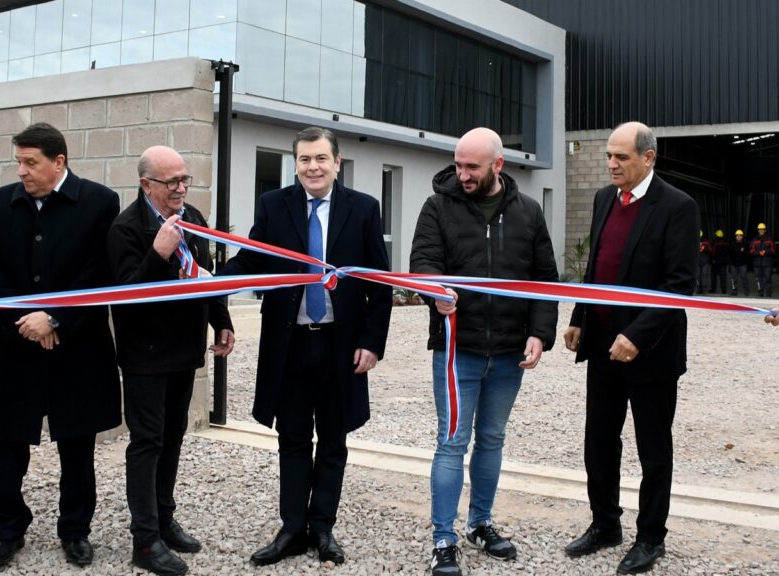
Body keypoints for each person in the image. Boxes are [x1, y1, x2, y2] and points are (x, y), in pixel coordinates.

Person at [222, 126, 392, 568]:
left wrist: (373, 342)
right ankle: (292, 527)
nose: (312, 167)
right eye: (304, 160)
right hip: (291, 345)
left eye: (320, 159)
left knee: (333, 440)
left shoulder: (364, 210)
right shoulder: (273, 206)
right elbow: (253, 260)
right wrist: (215, 276)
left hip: (342, 346)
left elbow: (381, 283)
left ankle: (323, 527)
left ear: (337, 162)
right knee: (293, 439)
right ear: (294, 163)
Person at [409, 127, 559, 576]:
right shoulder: (437, 207)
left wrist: (540, 332)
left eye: (471, 166)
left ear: (498, 165)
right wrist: (433, 292)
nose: (462, 174)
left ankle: (480, 523)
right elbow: (424, 263)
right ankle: (442, 538)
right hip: (458, 349)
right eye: (457, 165)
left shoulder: (528, 213)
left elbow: (544, 279)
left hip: (510, 350)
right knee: (451, 442)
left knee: (492, 439)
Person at [0, 122, 121, 569]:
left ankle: (75, 531)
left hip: (77, 347)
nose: (22, 171)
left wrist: (56, 317)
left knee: (77, 446)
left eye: (30, 162)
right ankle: (7, 529)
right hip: (17, 344)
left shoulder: (100, 202)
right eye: (18, 161)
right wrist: (26, 322)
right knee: (6, 444)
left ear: (59, 162)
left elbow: (99, 270)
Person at [562, 122, 697, 575]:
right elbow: (595, 270)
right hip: (602, 347)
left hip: (650, 354)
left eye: (621, 157)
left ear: (649, 158)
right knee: (598, 442)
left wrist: (637, 336)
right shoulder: (605, 199)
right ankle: (605, 524)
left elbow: (679, 287)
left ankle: (650, 537)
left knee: (652, 449)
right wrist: (580, 317)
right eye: (609, 156)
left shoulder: (678, 207)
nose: (612, 164)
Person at [107, 145, 235, 576]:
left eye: (185, 179)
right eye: (171, 182)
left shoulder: (193, 218)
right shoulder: (126, 229)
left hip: (184, 351)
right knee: (147, 444)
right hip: (145, 356)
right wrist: (158, 253)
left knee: (174, 438)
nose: (181, 188)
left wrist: (222, 320)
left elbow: (206, 277)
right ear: (146, 185)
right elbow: (127, 298)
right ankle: (144, 542)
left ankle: (163, 518)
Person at [750, 223, 774, 297]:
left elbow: (773, 250)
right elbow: (751, 251)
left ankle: (768, 293)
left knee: (768, 278)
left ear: (765, 230)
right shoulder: (754, 240)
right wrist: (759, 253)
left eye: (762, 229)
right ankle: (761, 293)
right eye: (760, 229)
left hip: (767, 263)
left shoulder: (769, 239)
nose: (761, 231)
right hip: (757, 263)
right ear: (758, 230)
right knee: (759, 279)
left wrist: (765, 252)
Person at [730, 229, 750, 296]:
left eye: (740, 236)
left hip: (742, 264)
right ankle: (734, 291)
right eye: (737, 236)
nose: (738, 237)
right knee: (733, 279)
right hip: (734, 264)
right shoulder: (732, 244)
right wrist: (731, 263)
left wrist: (745, 262)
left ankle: (747, 292)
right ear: (735, 237)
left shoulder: (745, 245)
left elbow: (748, 254)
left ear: (742, 237)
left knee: (744, 278)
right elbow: (729, 254)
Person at [711, 229, 729, 295]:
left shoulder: (714, 242)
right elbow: (728, 252)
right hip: (724, 262)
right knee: (723, 277)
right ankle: (724, 290)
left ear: (716, 235)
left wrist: (712, 260)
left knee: (713, 277)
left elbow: (712, 252)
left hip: (715, 262)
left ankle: (713, 290)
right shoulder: (726, 242)